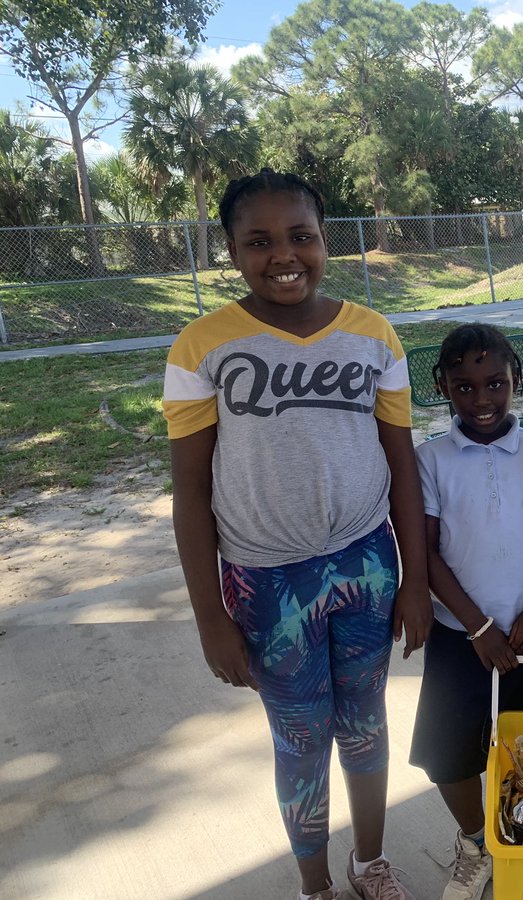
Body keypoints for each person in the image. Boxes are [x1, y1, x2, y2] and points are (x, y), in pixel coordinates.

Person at [164, 169, 430, 900]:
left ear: (324, 240)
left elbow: (401, 465)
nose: (284, 255)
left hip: (365, 564)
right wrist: (210, 617)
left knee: (365, 725)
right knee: (302, 738)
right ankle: (315, 886)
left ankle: (369, 861)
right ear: (231, 251)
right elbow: (189, 492)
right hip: (266, 582)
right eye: (259, 241)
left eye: (301, 236)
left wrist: (415, 578)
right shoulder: (202, 346)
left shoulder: (373, 335)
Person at [410, 324, 523, 900]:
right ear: (443, 387)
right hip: (461, 632)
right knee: (450, 751)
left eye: (495, 384)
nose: (481, 400)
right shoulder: (430, 458)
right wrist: (479, 627)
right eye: (464, 387)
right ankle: (474, 841)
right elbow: (426, 551)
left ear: (517, 380)